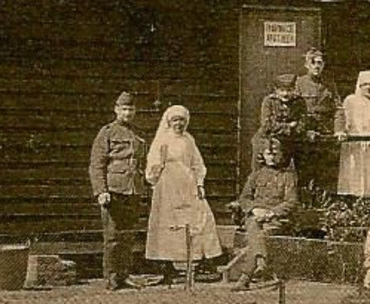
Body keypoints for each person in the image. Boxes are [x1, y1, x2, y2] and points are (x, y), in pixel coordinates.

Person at [144, 105, 224, 284]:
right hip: (168, 187)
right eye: (175, 120)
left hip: (188, 185)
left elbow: (197, 163)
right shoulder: (162, 141)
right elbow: (153, 166)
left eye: (181, 120)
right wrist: (155, 178)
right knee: (168, 224)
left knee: (200, 219)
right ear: (168, 122)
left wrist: (200, 183)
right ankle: (166, 266)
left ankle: (202, 261)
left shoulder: (189, 139)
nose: (178, 123)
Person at [88, 91, 146, 291]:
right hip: (114, 190)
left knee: (127, 236)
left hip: (133, 191)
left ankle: (124, 274)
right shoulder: (107, 132)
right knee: (113, 237)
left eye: (131, 109)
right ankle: (111, 276)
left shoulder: (138, 133)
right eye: (124, 109)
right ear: (116, 110)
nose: (128, 113)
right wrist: (101, 191)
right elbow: (97, 165)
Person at [227, 138, 299, 291]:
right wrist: (254, 210)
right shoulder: (256, 175)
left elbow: (291, 202)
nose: (272, 157)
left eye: (275, 154)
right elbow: (245, 197)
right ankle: (260, 263)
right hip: (254, 215)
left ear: (281, 154)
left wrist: (270, 213)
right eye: (268, 154)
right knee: (254, 227)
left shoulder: (288, 176)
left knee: (261, 234)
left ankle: (246, 276)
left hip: (276, 219)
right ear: (263, 155)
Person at [335, 70, 370, 197]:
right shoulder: (350, 101)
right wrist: (344, 130)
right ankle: (354, 202)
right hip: (355, 144)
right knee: (355, 174)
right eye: (366, 84)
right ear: (360, 85)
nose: (369, 88)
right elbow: (344, 119)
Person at [293, 47, 339, 192]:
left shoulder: (329, 84)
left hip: (325, 133)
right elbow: (295, 110)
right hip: (306, 135)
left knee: (324, 172)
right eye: (313, 63)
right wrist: (305, 130)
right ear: (306, 65)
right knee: (304, 173)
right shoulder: (299, 83)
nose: (317, 66)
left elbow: (338, 108)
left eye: (320, 63)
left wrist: (339, 129)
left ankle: (322, 205)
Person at [252, 73, 305, 167]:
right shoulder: (269, 101)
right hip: (267, 141)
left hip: (288, 141)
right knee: (263, 171)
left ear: (294, 90)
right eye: (282, 90)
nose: (285, 94)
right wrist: (288, 127)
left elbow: (302, 122)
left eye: (289, 90)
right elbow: (266, 124)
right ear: (276, 90)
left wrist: (297, 128)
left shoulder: (299, 102)